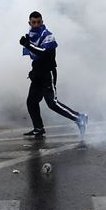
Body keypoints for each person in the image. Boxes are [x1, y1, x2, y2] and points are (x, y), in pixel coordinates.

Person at [20, 11, 88, 139]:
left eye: (38, 22)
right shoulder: (30, 36)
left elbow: (43, 53)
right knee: (31, 102)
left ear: (42, 22)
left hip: (48, 73)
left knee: (52, 103)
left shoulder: (48, 35)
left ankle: (79, 118)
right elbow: (34, 56)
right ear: (29, 23)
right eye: (33, 22)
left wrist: (27, 44)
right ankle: (38, 129)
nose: (36, 24)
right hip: (37, 73)